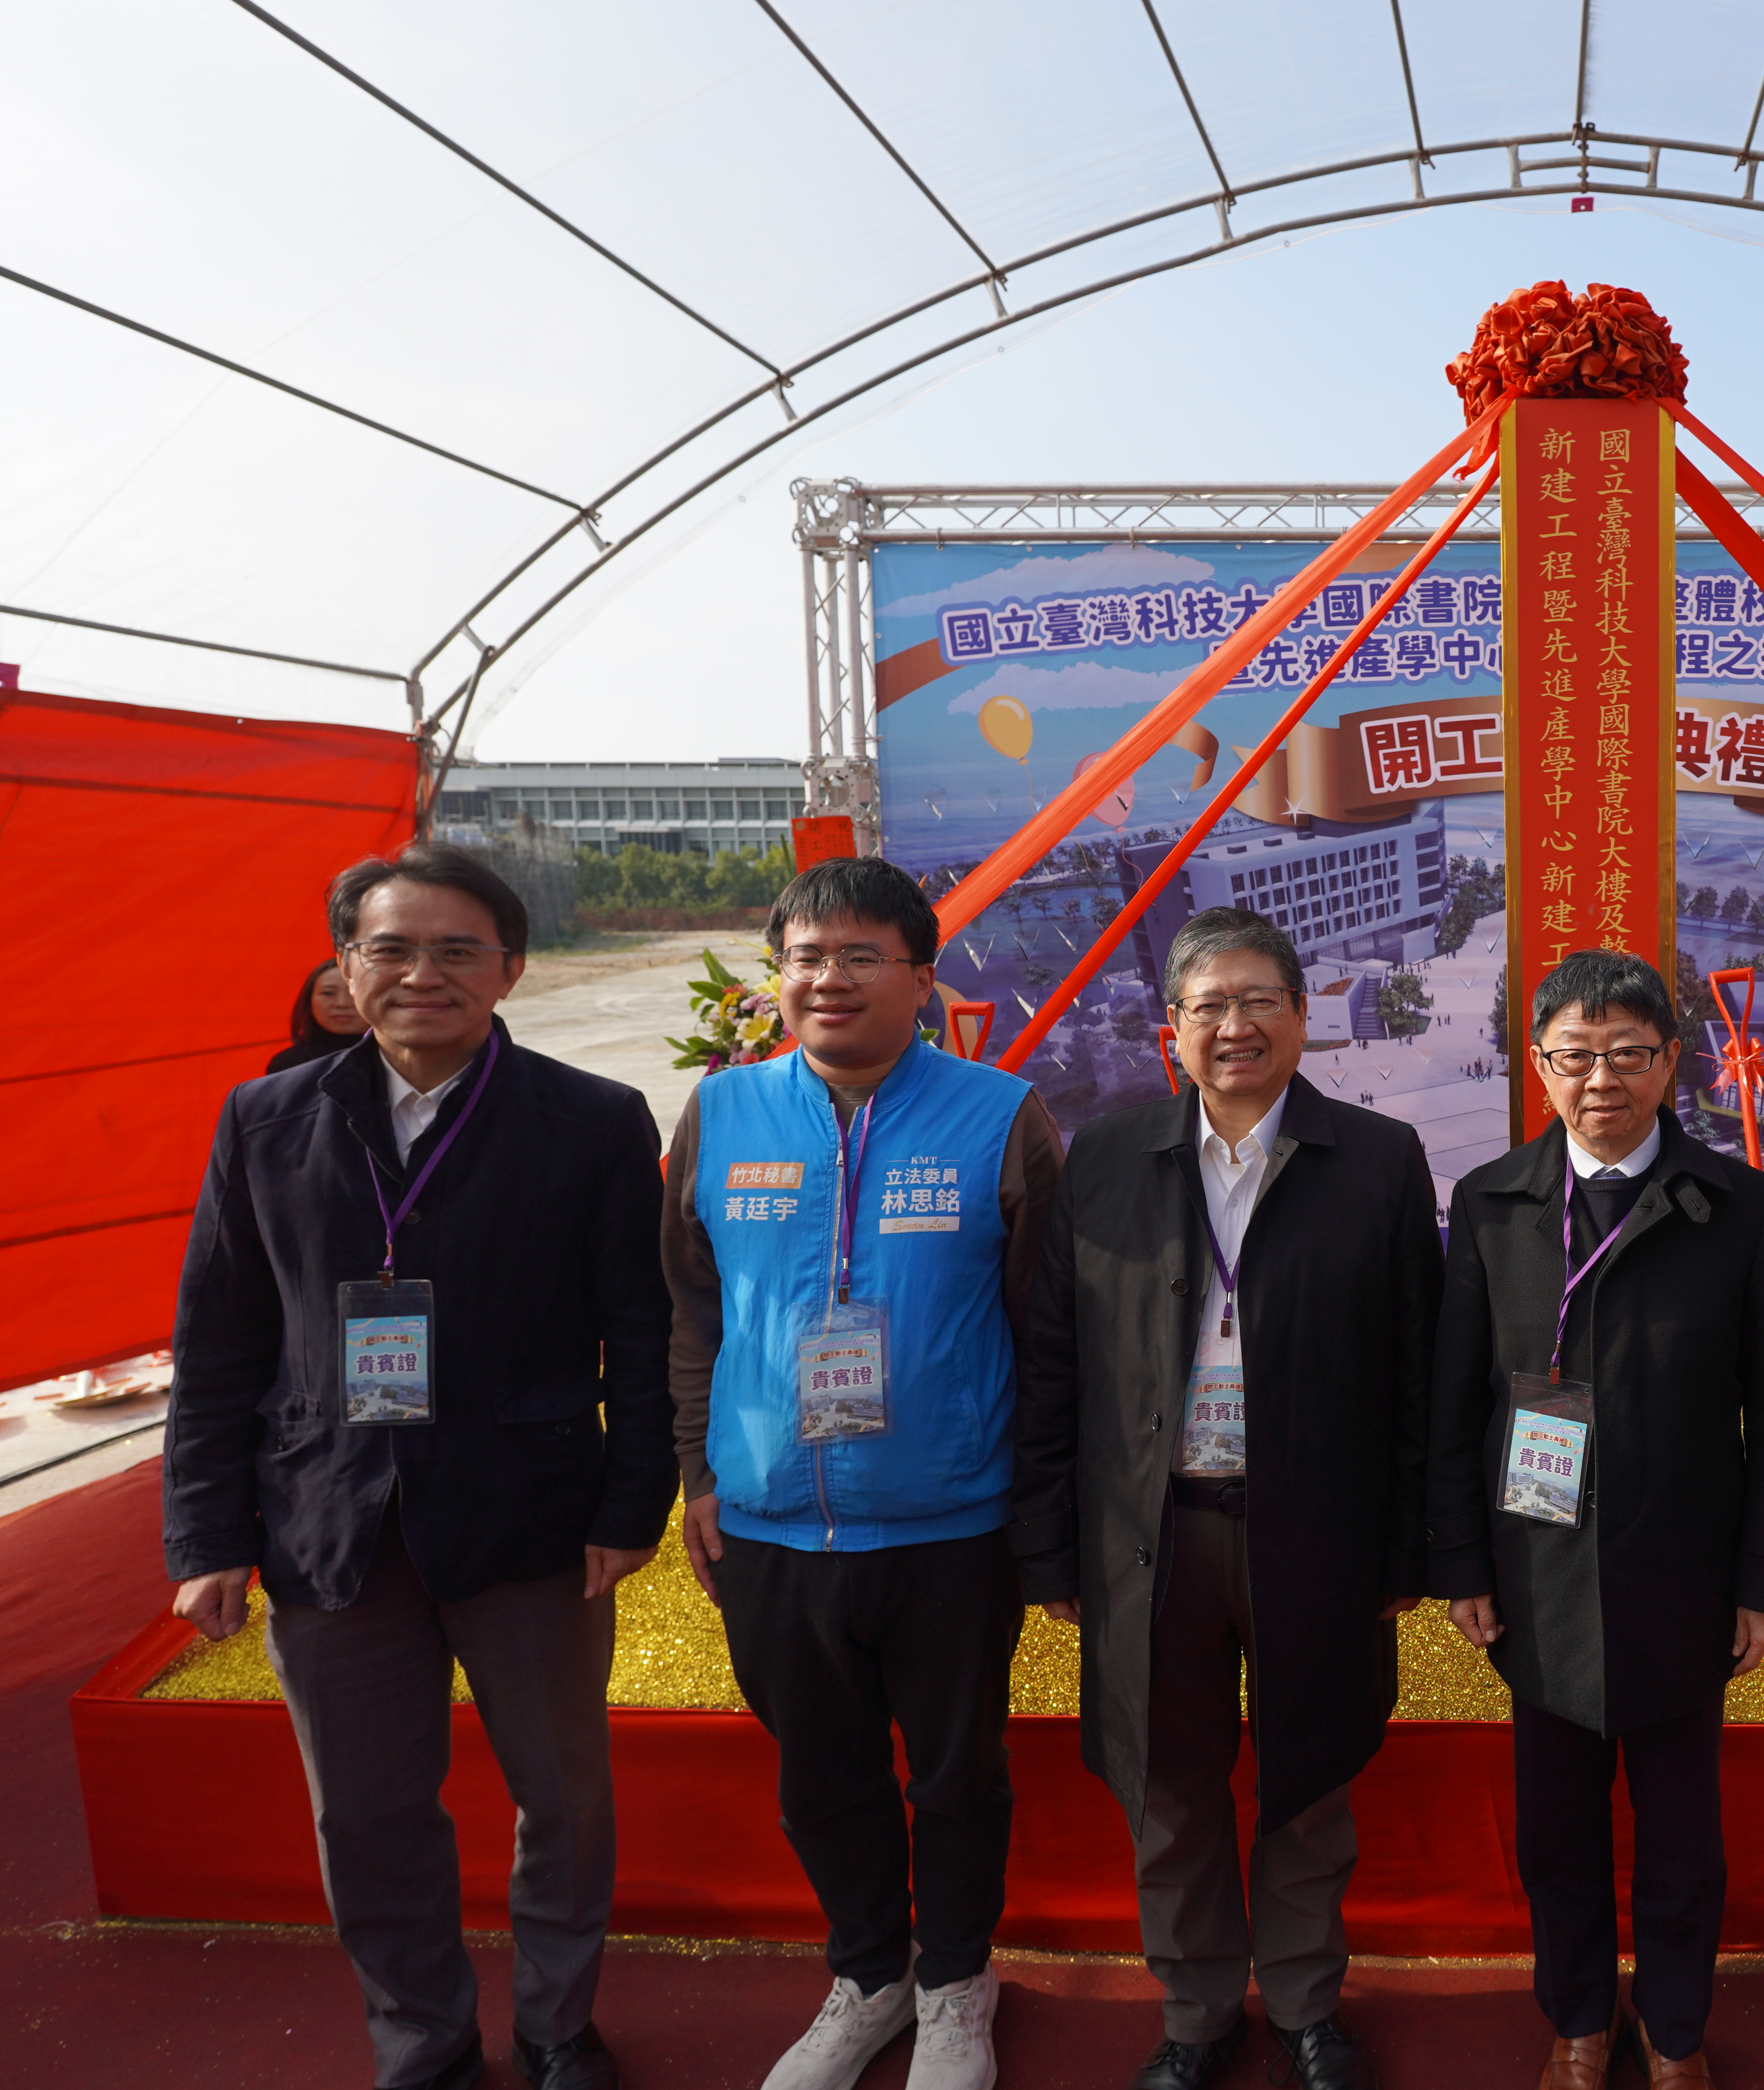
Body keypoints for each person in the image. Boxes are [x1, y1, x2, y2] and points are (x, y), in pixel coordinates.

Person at [163, 842, 672, 2090]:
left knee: (560, 1798)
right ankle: (424, 2038)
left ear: (508, 968)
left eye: (456, 949)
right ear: (345, 966)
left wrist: (631, 1501)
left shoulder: (593, 1119)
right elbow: (218, 1339)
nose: (421, 973)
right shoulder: (267, 1117)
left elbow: (643, 1331)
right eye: (390, 946)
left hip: (533, 1525)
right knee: (371, 1813)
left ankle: (560, 2025)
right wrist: (206, 1535)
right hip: (329, 1526)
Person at [662, 854, 1066, 2090]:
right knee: (821, 1778)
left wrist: (1037, 1511)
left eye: (859, 955)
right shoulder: (721, 1116)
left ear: (922, 978)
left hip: (951, 1527)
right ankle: (868, 1974)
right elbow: (689, 1311)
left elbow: (1047, 1334)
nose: (828, 979)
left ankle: (954, 1984)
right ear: (776, 976)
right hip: (775, 1527)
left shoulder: (1004, 1116)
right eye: (804, 957)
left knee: (956, 1773)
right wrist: (699, 1471)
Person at [1030, 908, 1443, 2090]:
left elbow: (1419, 1371)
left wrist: (1408, 1546)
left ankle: (1310, 2004)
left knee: (1309, 1779)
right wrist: (1050, 1550)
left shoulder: (1376, 1161)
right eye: (1208, 1004)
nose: (1235, 1025)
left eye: (1260, 999)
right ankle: (1197, 2009)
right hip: (1148, 1539)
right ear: (1173, 1030)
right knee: (1168, 1783)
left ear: (1304, 1017)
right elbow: (1053, 1364)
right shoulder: (1105, 1161)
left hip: (1315, 1535)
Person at [1429, 949, 1764, 2090]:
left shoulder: (1741, 1208)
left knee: (1684, 1837)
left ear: (1671, 1062)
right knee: (1557, 1835)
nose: (1603, 1077)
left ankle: (1680, 2030)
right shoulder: (1493, 1203)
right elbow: (1454, 1403)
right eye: (1575, 1053)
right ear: (1540, 1064)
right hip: (1534, 1579)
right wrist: (1459, 1557)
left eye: (1629, 1052)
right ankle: (1582, 2024)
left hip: (1683, 1579)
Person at [267, 955, 367, 1070]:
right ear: (309, 1000)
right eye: (328, 993)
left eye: (353, 993)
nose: (341, 1004)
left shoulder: (390, 1059)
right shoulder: (289, 1065)